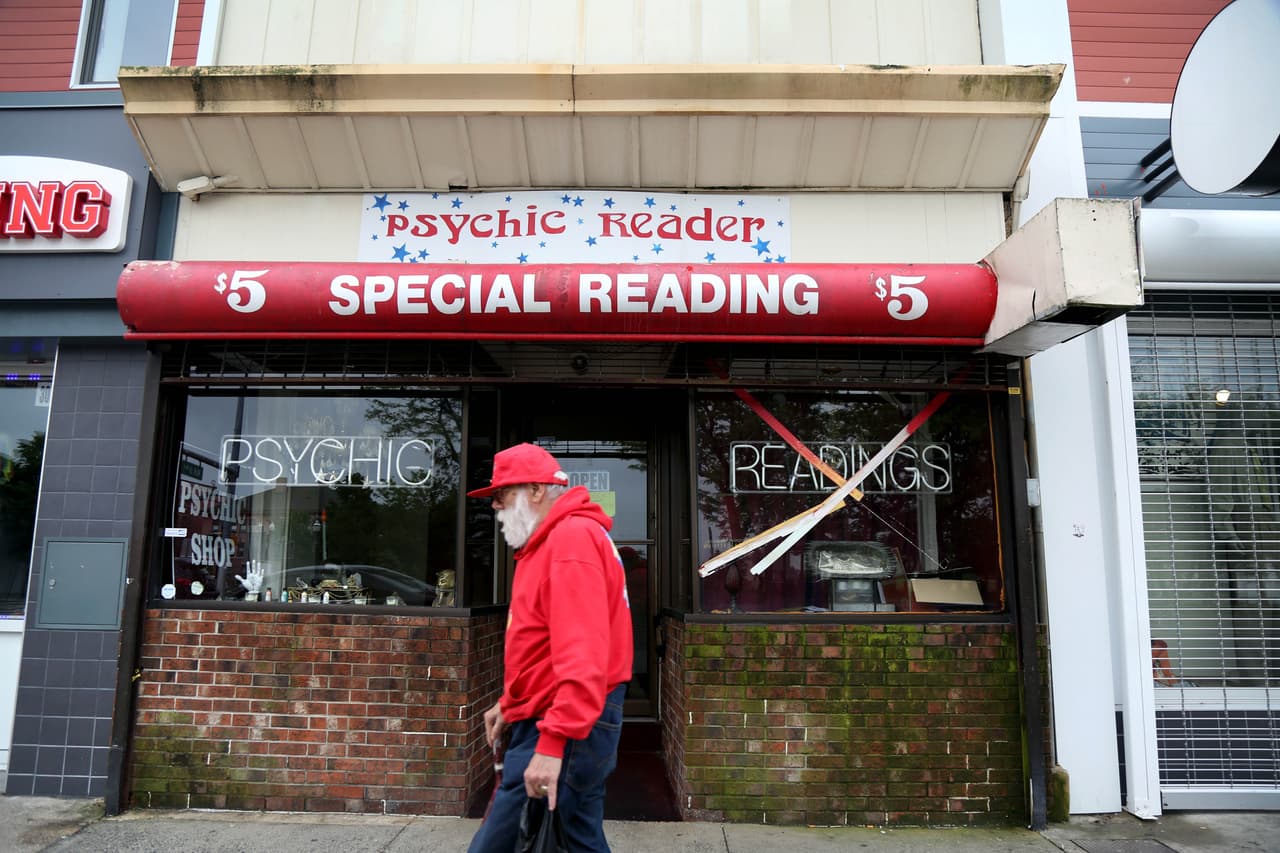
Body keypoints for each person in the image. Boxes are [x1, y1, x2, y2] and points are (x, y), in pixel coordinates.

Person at [466, 443, 633, 853]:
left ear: (537, 490)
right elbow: (544, 645)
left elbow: (583, 654)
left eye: (501, 495)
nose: (495, 506)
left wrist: (553, 742)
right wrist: (512, 703)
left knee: (497, 844)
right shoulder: (554, 541)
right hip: (566, 716)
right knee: (578, 838)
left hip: (566, 721)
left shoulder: (570, 541)